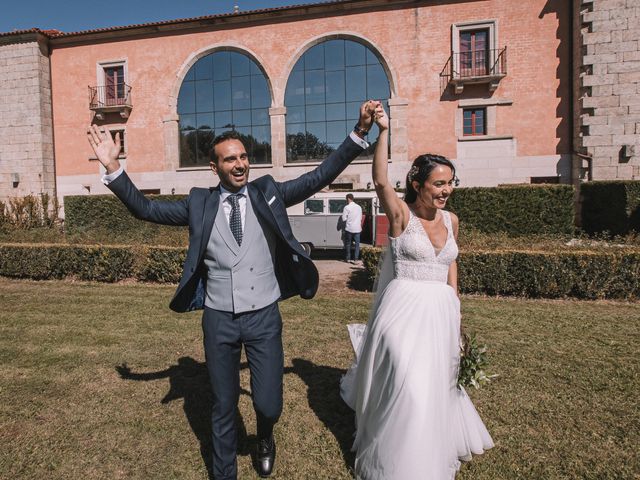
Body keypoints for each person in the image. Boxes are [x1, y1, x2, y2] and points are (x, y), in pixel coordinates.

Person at [86, 101, 375, 480]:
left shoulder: (266, 192)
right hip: (219, 318)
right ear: (214, 166)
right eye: (229, 159)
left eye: (242, 157)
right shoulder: (198, 203)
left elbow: (317, 177)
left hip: (264, 317)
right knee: (223, 404)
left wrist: (359, 132)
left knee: (269, 403)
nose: (239, 164)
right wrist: (113, 167)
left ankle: (265, 437)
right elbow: (147, 209)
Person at [340, 102, 494, 479]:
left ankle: (425, 450)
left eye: (450, 182)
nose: (447, 190)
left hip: (441, 310)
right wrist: (383, 132)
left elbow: (451, 266)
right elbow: (379, 181)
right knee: (407, 382)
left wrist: (457, 316)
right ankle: (394, 458)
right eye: (439, 183)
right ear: (417, 184)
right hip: (403, 308)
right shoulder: (401, 215)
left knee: (432, 385)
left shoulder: (453, 220)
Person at [341, 193, 363, 263]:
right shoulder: (359, 207)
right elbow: (361, 218)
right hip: (357, 229)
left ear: (348, 199)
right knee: (357, 245)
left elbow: (344, 219)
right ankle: (356, 260)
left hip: (349, 229)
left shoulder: (346, 207)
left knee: (348, 244)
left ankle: (348, 259)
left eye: (346, 199)